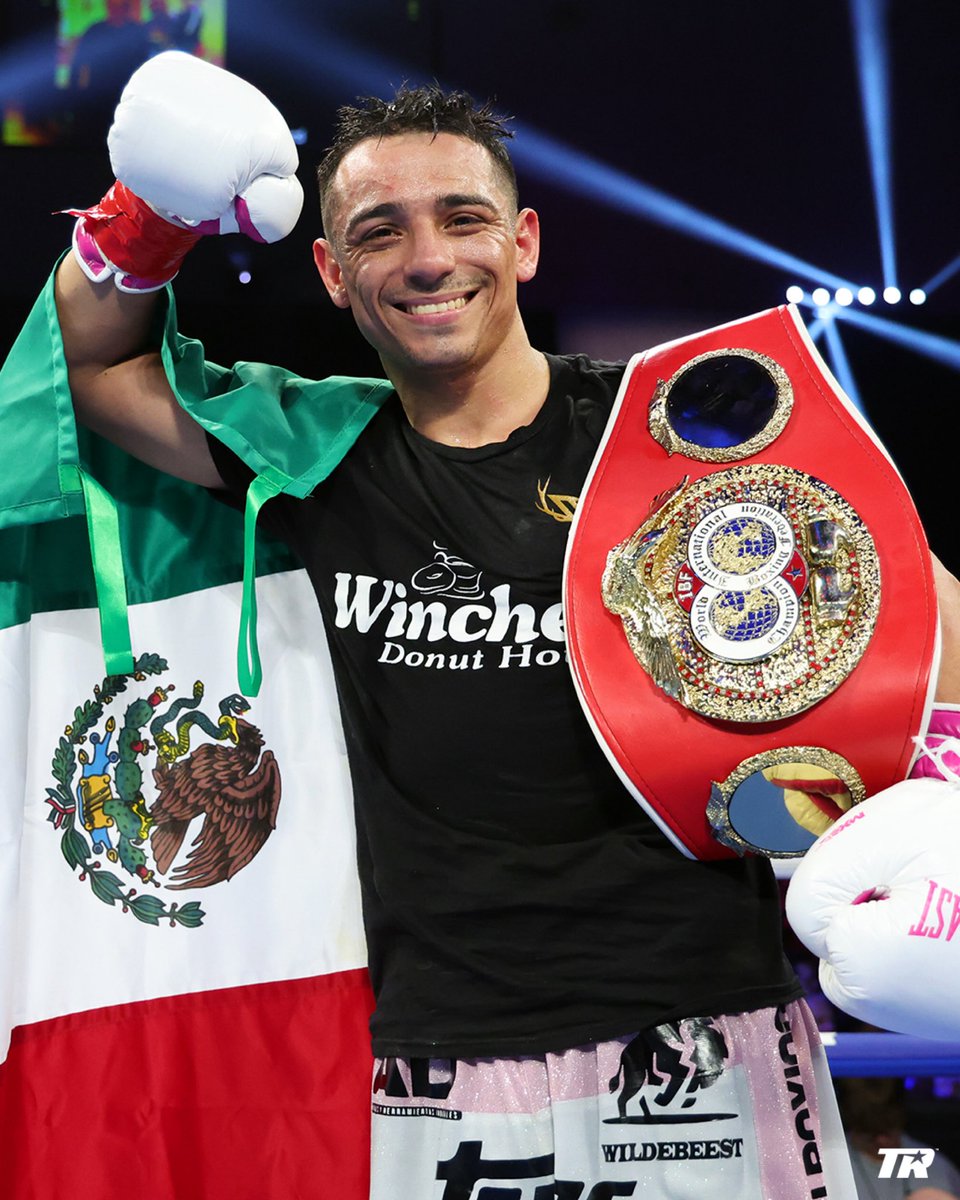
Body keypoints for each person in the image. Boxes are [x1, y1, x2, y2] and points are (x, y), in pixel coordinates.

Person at [41, 50, 960, 1199]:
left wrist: (949, 798)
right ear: (330, 272)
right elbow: (92, 366)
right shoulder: (314, 445)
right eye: (380, 232)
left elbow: (906, 588)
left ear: (520, 244)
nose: (428, 258)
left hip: (698, 1031)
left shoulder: (656, 436)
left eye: (462, 219)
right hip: (428, 1051)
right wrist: (143, 221)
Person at [836, 1076, 960, 1200]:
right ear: (849, 1119)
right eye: (870, 1133)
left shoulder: (936, 1169)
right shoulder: (830, 1165)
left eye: (888, 1128)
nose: (881, 1140)